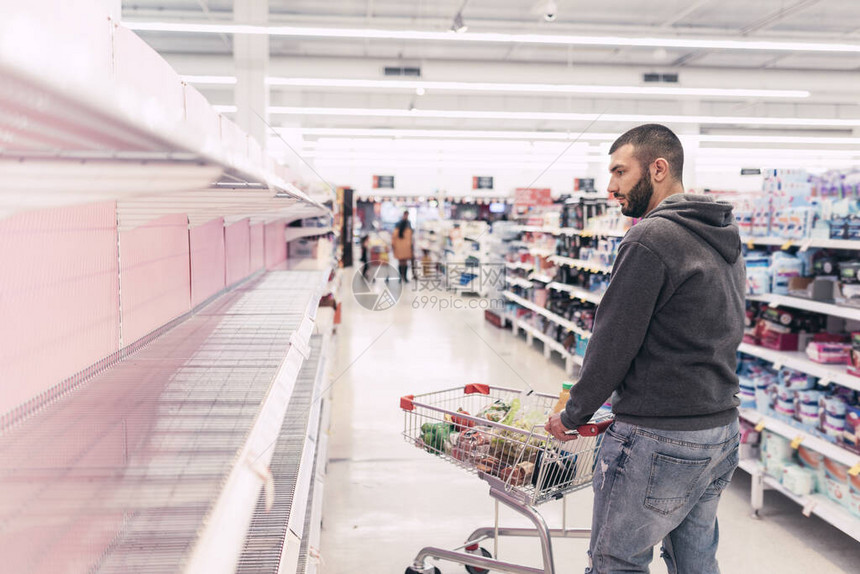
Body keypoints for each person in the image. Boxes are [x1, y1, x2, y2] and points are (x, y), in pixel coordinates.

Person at [545, 124, 745, 574]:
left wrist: (573, 414)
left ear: (658, 169)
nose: (611, 186)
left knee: (617, 562)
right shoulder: (724, 234)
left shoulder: (650, 237)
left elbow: (613, 342)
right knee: (694, 562)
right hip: (719, 430)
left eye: (620, 171)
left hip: (659, 435)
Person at [392, 210, 414, 282]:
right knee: (401, 262)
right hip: (401, 246)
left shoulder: (408, 223)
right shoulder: (400, 224)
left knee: (404, 262)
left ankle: (403, 276)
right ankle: (401, 277)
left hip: (405, 246)